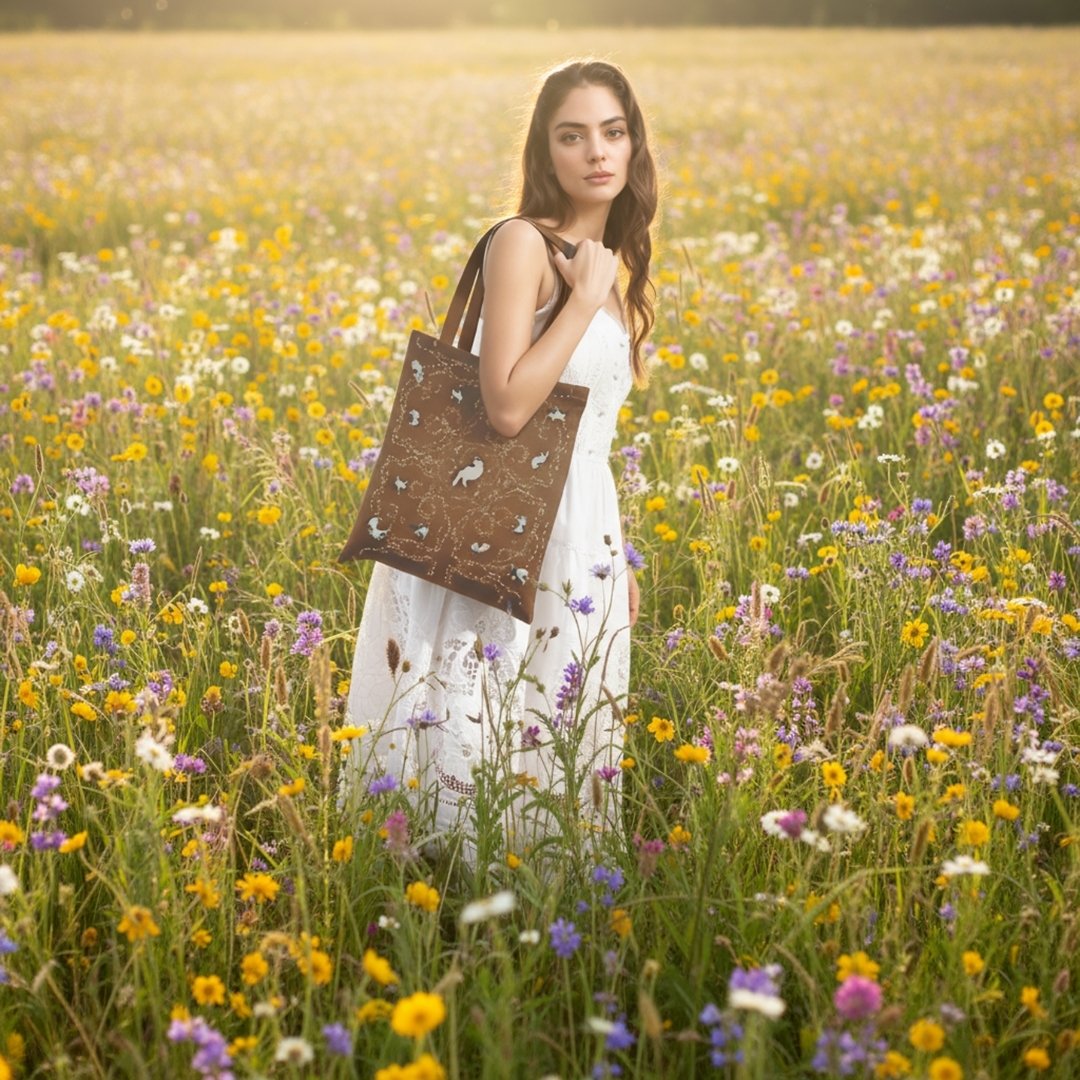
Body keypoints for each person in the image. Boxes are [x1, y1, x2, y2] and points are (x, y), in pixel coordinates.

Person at [342, 58, 658, 864]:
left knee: (557, 728)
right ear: (544, 152)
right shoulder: (526, 244)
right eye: (573, 135)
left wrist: (617, 555)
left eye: (613, 132)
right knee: (484, 727)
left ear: (634, 146)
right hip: (508, 520)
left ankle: (545, 914)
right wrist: (582, 300)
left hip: (580, 532)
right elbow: (509, 406)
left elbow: (594, 436)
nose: (597, 152)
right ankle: (453, 917)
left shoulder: (609, 267)